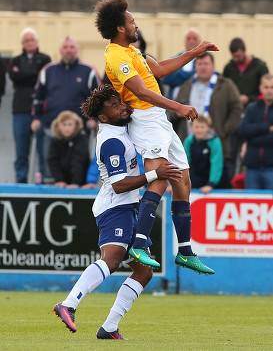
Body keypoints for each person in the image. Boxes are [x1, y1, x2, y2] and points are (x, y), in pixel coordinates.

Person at [94, 0, 217, 274]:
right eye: (132, 21)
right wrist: (179, 106)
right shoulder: (115, 55)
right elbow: (139, 91)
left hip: (158, 119)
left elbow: (159, 70)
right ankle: (138, 242)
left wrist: (194, 52)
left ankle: (185, 251)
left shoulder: (133, 52)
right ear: (120, 28)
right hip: (145, 119)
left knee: (182, 179)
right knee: (162, 175)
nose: (136, 24)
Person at [53, 84, 182, 339]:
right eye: (115, 105)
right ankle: (68, 304)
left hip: (128, 205)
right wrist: (156, 174)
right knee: (112, 259)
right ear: (102, 116)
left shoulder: (120, 128)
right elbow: (119, 184)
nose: (122, 106)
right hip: (115, 204)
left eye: (119, 102)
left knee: (144, 271)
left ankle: (109, 327)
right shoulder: (111, 141)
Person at [31, 36, 101, 182]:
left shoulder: (88, 70)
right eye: (65, 47)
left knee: (79, 163)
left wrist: (94, 119)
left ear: (77, 49)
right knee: (50, 162)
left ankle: (78, 187)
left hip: (80, 130)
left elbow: (98, 98)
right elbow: (37, 97)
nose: (68, 50)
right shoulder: (48, 70)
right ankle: (50, 187)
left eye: (71, 47)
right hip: (52, 129)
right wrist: (36, 118)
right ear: (60, 50)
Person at [170, 52, 243, 183]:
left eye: (206, 64)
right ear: (195, 66)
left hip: (216, 144)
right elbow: (172, 111)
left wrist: (224, 130)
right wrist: (176, 113)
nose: (203, 67)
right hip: (190, 145)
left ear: (213, 65)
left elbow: (237, 109)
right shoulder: (186, 85)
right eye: (199, 64)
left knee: (218, 183)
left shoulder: (225, 85)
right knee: (189, 184)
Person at [8, 27, 51, 183]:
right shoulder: (15, 60)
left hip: (40, 112)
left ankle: (41, 181)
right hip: (20, 110)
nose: (30, 43)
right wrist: (34, 74)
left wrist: (23, 75)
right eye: (27, 40)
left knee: (42, 149)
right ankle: (21, 181)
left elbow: (42, 78)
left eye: (32, 39)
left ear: (37, 41)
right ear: (22, 43)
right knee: (21, 150)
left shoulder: (45, 59)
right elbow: (14, 77)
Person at [223, 37, 269, 175]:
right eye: (233, 56)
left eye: (238, 55)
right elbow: (224, 89)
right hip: (234, 116)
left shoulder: (260, 67)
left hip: (254, 115)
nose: (236, 59)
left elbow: (266, 92)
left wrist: (249, 98)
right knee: (231, 152)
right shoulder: (229, 68)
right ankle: (233, 181)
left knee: (251, 149)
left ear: (244, 51)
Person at [238, 74, 273, 189]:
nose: (269, 90)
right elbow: (242, 130)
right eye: (266, 87)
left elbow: (249, 132)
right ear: (260, 88)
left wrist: (253, 136)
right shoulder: (251, 108)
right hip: (252, 169)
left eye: (272, 87)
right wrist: (267, 128)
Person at [184, 115, 225, 195]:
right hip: (195, 181)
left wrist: (211, 184)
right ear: (191, 128)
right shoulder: (189, 141)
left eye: (202, 127)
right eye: (197, 127)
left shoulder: (214, 141)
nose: (199, 130)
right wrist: (177, 184)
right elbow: (183, 163)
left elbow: (216, 163)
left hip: (213, 184)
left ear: (208, 128)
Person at [48, 110, 90, 188]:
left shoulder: (81, 138)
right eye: (64, 125)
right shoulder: (55, 140)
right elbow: (53, 161)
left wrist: (76, 182)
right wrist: (59, 180)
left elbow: (78, 161)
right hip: (61, 183)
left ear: (76, 125)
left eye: (70, 125)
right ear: (58, 126)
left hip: (81, 183)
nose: (67, 128)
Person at [162, 27, 201, 100]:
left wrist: (177, 74)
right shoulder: (175, 59)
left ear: (199, 41)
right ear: (184, 41)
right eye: (188, 39)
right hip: (174, 105)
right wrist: (191, 76)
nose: (191, 41)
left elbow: (201, 78)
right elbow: (165, 78)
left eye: (194, 39)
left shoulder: (203, 61)